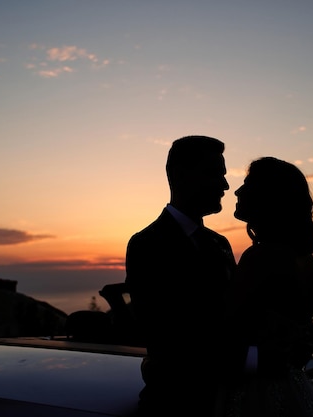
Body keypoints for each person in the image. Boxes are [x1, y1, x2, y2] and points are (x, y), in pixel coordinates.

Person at [125, 135, 236, 417]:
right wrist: (256, 359)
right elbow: (169, 338)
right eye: (214, 174)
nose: (224, 185)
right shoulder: (146, 245)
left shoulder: (220, 243)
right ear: (181, 175)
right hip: (174, 405)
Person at [216, 157, 313, 417]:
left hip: (258, 393)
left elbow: (224, 329)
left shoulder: (261, 257)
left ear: (268, 197)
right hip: (295, 387)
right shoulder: (304, 259)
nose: (237, 191)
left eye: (247, 184)